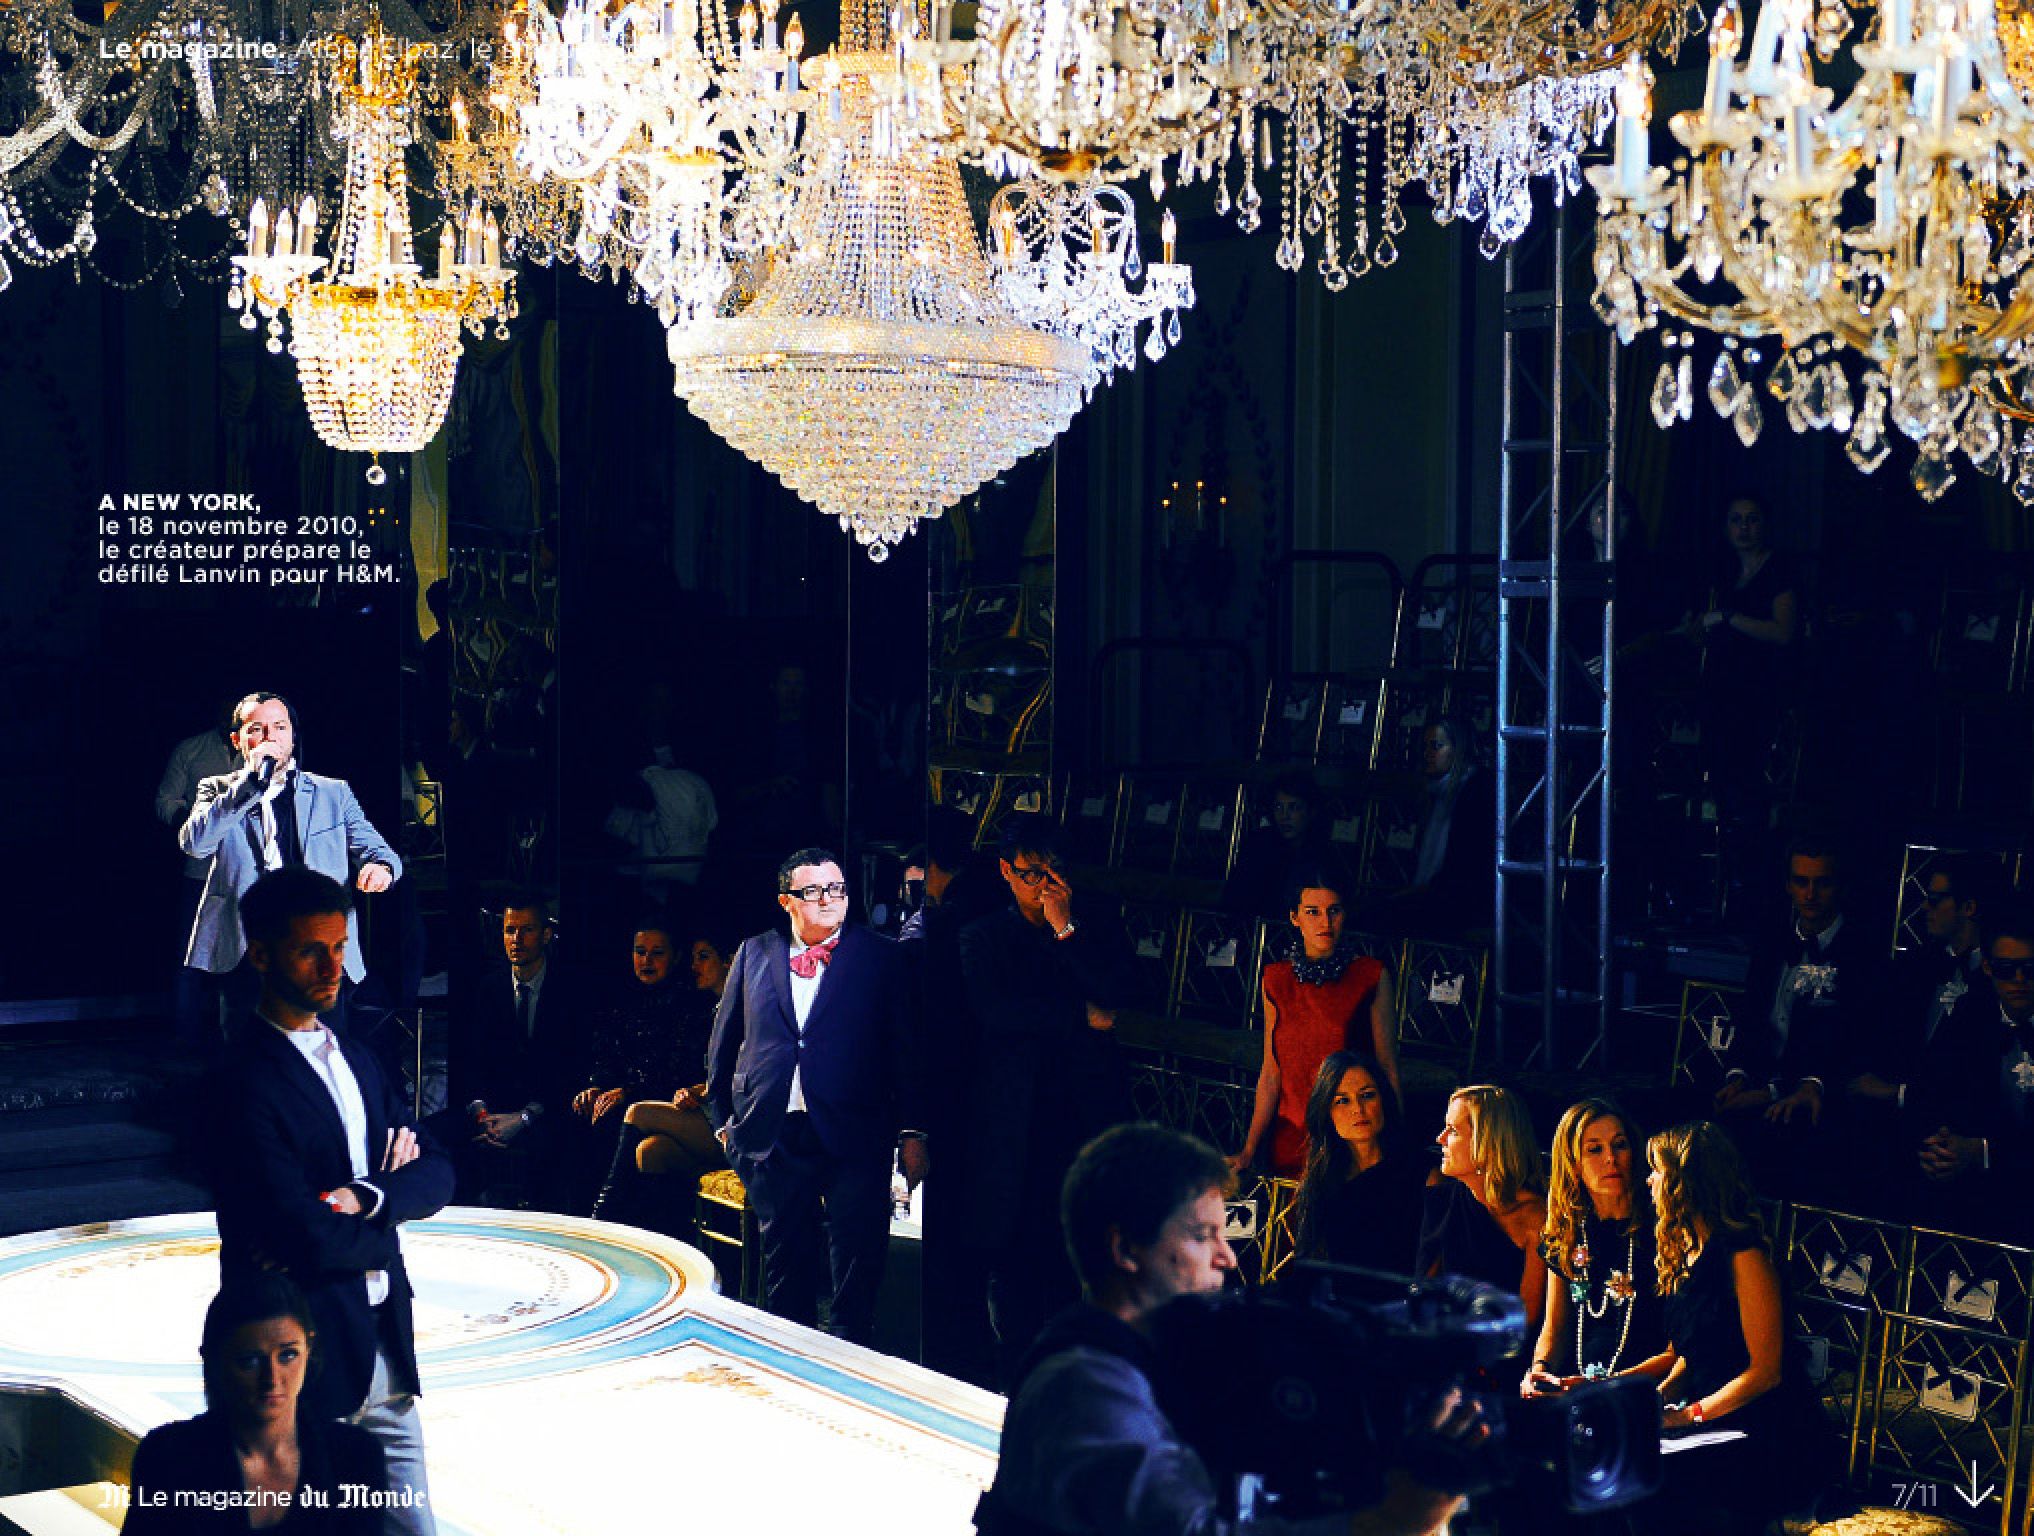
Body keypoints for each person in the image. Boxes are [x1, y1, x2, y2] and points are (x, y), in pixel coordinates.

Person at [976, 1123, 1472, 1536]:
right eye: (1203, 1236)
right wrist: (1389, 1521)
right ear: (1125, 1250)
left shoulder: (1155, 1364)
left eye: (1224, 1234)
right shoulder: (1084, 1384)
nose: (1227, 1257)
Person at [202, 867, 450, 1536]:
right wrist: (388, 1217)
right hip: (299, 1363)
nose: (332, 967)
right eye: (312, 950)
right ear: (260, 955)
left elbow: (439, 1172)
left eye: (340, 947)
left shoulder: (358, 1059)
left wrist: (364, 1195)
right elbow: (300, 1232)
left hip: (386, 1354)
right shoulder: (239, 1081)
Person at [706, 848, 922, 1343]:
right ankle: (791, 1362)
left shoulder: (880, 955)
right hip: (775, 1134)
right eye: (814, 890)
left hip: (856, 1133)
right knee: (786, 1274)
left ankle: (851, 1361)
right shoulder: (754, 953)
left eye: (837, 889)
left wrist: (913, 1129)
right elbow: (724, 1043)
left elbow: (905, 1050)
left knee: (856, 1266)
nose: (828, 899)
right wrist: (723, 1123)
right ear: (786, 900)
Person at [958, 814, 1138, 1377]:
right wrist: (1078, 1016)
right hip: (1015, 1122)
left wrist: (1066, 929)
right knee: (1014, 1264)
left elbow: (1117, 996)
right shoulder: (982, 936)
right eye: (1032, 874)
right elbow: (1000, 1012)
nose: (1045, 886)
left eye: (1054, 872)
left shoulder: (1095, 923)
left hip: (1084, 1115)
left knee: (1078, 1257)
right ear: (1006, 872)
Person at [1646, 1122, 1834, 1534]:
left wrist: (1692, 1415)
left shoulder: (1743, 1254)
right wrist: (1656, 1401)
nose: (1649, 1181)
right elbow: (1692, 1354)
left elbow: (1765, 1373)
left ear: (1683, 1182)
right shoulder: (1686, 1251)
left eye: (1656, 1170)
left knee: (1665, 1485)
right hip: (1709, 1416)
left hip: (1764, 1427)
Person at [180, 693, 402, 1021]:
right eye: (257, 729)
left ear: (293, 737)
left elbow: (381, 852)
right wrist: (248, 785)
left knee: (323, 1045)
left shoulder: (332, 793)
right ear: (237, 740)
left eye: (280, 727)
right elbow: (196, 844)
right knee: (250, 1047)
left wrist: (380, 868)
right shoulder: (217, 790)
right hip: (248, 949)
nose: (270, 737)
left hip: (319, 947)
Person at [125, 1274, 387, 1534]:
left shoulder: (355, 1457)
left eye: (288, 1355)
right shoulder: (168, 1457)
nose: (271, 1379)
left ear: (309, 1351)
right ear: (214, 1360)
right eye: (250, 1360)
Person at [1709, 839, 1885, 1201]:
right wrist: (1738, 1076)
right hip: (1757, 1082)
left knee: (1775, 1143)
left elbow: (1852, 1043)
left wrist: (1783, 1090)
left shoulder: (1863, 954)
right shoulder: (1771, 943)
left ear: (1841, 887)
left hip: (1818, 1097)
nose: (1810, 894)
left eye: (1822, 883)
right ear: (1788, 885)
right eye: (1801, 881)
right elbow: (1750, 1020)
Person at [1231, 865, 1398, 1178]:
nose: (1325, 922)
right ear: (1295, 917)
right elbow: (1270, 1073)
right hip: (1289, 1137)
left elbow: (1387, 1068)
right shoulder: (1275, 980)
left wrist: (1393, 1147)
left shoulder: (1370, 976)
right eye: (1313, 912)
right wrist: (1250, 1148)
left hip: (1349, 1138)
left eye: (1334, 911)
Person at [1683, 496, 1799, 906]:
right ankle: (1722, 887)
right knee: (1720, 787)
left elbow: (1783, 632)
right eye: (1736, 520)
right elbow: (1702, 632)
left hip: (1758, 695)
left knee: (1750, 791)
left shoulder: (1779, 570)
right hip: (1720, 693)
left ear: (1764, 525)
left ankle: (1754, 890)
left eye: (1752, 520)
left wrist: (1730, 618)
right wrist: (1698, 628)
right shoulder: (1723, 573)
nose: (1744, 528)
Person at [1902, 901, 2034, 1244]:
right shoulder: (1970, 1014)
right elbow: (1928, 1090)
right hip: (1983, 1193)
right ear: (1987, 968)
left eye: (2030, 969)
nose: (2019, 980)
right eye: (2006, 969)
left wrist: (1982, 1150)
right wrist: (1940, 1146)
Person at [591, 924, 737, 1231]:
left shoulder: (743, 1010)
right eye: (694, 958)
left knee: (638, 1112)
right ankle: (657, 1243)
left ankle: (601, 1221)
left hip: (734, 1122)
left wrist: (700, 1092)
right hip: (711, 1113)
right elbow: (715, 1076)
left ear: (728, 961)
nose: (695, 966)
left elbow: (742, 1078)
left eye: (703, 957)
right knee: (650, 1151)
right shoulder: (715, 1008)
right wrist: (694, 1090)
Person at [1523, 1100, 1670, 1400]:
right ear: (1573, 1164)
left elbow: (1681, 1349)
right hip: (1578, 1388)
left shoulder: (1664, 1230)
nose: (1611, 1159)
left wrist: (1606, 1386)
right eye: (1595, 1149)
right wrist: (1540, 1369)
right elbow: (1555, 1328)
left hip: (1650, 1392)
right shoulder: (1567, 1233)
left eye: (1620, 1145)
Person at [447, 898, 580, 1210]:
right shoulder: (489, 987)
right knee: (436, 1137)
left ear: (546, 935)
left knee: (560, 1143)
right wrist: (482, 1115)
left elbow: (571, 1068)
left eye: (526, 930)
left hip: (546, 1109)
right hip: (493, 1109)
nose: (516, 940)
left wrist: (524, 1117)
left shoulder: (569, 989)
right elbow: (473, 1059)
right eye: (510, 930)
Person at [1417, 1087, 1548, 1350]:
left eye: (1453, 1131)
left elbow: (1525, 1317)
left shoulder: (1535, 1216)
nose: (1440, 1139)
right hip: (1442, 1339)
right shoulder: (1444, 1195)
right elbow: (1425, 1287)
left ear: (1487, 1142)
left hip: (1501, 1350)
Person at [1290, 1050, 1427, 1274]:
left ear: (1384, 1100)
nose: (1358, 1109)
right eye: (1343, 1101)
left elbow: (1433, 1270)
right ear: (1327, 1111)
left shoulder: (1422, 1176)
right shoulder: (1321, 1182)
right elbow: (1311, 1266)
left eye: (1367, 1095)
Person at [159, 699, 243, 1049]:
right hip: (201, 871)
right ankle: (185, 1040)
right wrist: (193, 828)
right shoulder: (192, 751)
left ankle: (238, 1040)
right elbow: (166, 800)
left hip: (246, 874)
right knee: (190, 957)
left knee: (243, 959)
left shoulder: (265, 753)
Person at [1380, 718, 1494, 938]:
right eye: (1425, 747)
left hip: (1462, 903)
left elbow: (1465, 864)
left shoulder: (1475, 793)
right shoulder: (1439, 792)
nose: (1427, 754)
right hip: (1441, 895)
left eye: (1436, 746)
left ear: (1458, 750)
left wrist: (1422, 890)